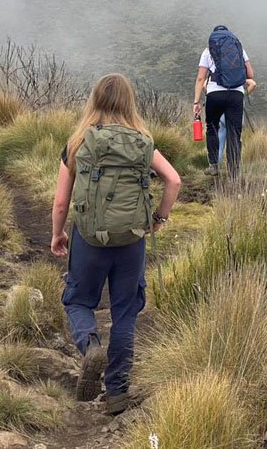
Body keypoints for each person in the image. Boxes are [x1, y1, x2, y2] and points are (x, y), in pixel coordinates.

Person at [50, 74, 181, 415]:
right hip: (131, 241)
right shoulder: (143, 141)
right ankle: (117, 393)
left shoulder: (79, 141)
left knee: (78, 301)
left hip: (89, 238)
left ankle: (90, 344)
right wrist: (159, 219)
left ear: (94, 100)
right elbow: (174, 180)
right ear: (129, 102)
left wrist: (57, 234)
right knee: (125, 312)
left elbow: (61, 203)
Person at [193, 26, 255, 179]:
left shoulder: (208, 50)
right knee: (234, 132)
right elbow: (251, 74)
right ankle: (234, 171)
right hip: (236, 94)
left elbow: (201, 78)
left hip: (215, 93)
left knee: (212, 127)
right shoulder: (239, 49)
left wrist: (196, 101)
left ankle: (214, 165)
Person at [218, 78, 257, 167]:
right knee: (235, 142)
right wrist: (243, 91)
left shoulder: (219, 79)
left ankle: (216, 169)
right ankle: (233, 169)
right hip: (236, 116)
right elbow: (253, 84)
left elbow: (204, 85)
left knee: (219, 143)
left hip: (220, 113)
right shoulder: (239, 86)